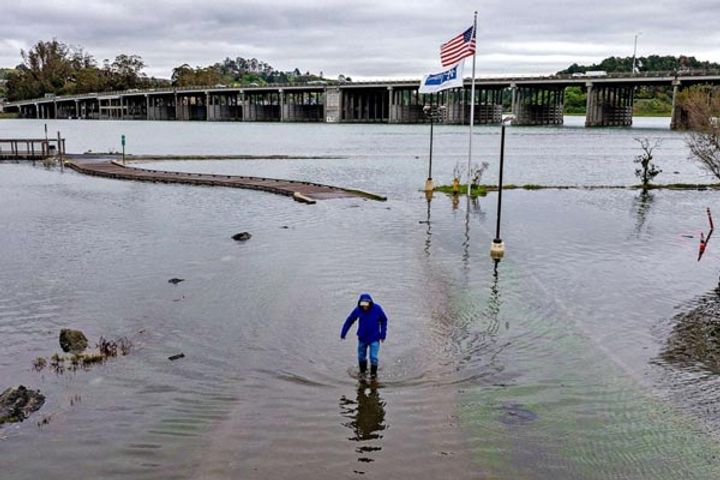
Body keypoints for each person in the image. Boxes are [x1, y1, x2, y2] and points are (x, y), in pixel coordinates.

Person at [341, 293, 388, 378]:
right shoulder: (358, 310)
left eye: (367, 304)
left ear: (370, 303)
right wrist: (343, 333)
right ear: (360, 303)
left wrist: (383, 334)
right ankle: (362, 373)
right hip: (362, 338)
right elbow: (349, 320)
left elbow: (384, 320)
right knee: (361, 357)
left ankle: (373, 376)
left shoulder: (377, 309)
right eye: (363, 305)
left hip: (374, 338)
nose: (365, 307)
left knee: (373, 357)